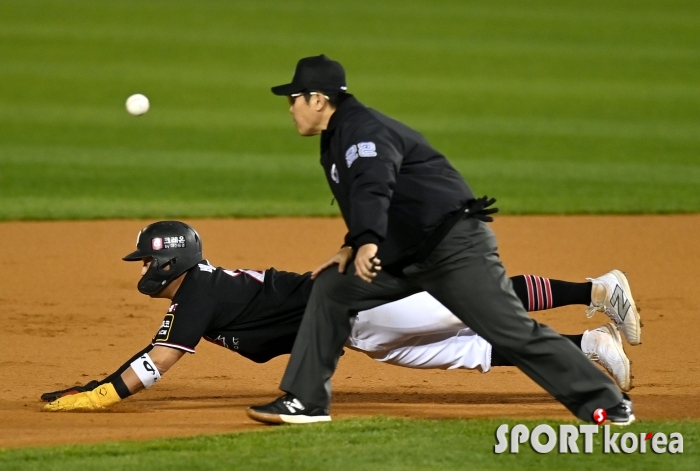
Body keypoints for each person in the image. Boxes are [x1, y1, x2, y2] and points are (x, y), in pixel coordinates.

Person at [247, 55, 642, 426]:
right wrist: (353, 245)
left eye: (295, 98)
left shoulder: (362, 130)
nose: (290, 107)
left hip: (452, 247)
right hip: (406, 254)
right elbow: (381, 196)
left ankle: (607, 402)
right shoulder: (337, 136)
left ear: (319, 99)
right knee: (333, 288)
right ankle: (307, 401)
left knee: (509, 330)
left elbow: (374, 183)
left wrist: (366, 239)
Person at [42, 221, 637, 411]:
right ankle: (586, 348)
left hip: (356, 311)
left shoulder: (195, 293)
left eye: (146, 259)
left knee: (473, 304)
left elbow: (159, 361)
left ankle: (596, 288)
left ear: (168, 262)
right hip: (358, 327)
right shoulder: (199, 287)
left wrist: (100, 395)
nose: (141, 268)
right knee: (463, 348)